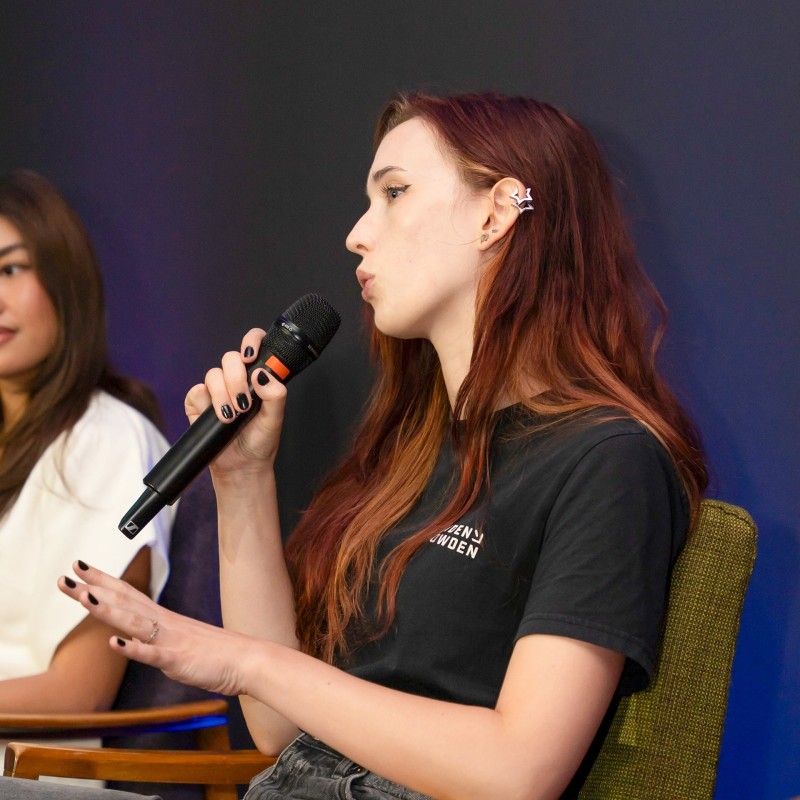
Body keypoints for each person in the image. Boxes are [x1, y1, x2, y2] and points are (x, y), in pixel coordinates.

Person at [7, 91, 706, 800]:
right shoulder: (413, 449)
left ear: (497, 212)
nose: (357, 234)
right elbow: (279, 729)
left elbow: (517, 772)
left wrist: (238, 658)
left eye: (394, 193)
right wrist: (242, 481)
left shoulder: (607, 459)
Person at [0, 169, 173, 721]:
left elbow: (79, 692)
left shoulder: (110, 441)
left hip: (35, 766)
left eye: (10, 269)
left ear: (65, 280)